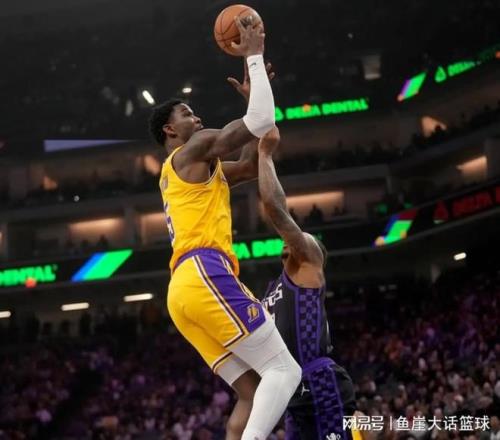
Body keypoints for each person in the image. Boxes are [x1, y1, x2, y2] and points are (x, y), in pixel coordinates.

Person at [148, 17, 301, 440]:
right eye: (186, 114)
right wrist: (254, 56)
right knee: (284, 371)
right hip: (204, 272)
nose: (196, 118)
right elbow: (260, 121)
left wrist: (255, 98)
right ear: (169, 129)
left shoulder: (196, 170)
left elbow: (252, 163)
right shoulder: (191, 150)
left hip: (183, 291)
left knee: (252, 394)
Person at [258, 127, 358, 440]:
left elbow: (274, 208)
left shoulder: (308, 265)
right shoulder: (271, 288)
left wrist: (265, 154)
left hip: (318, 379)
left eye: (302, 239)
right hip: (290, 389)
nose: (294, 241)